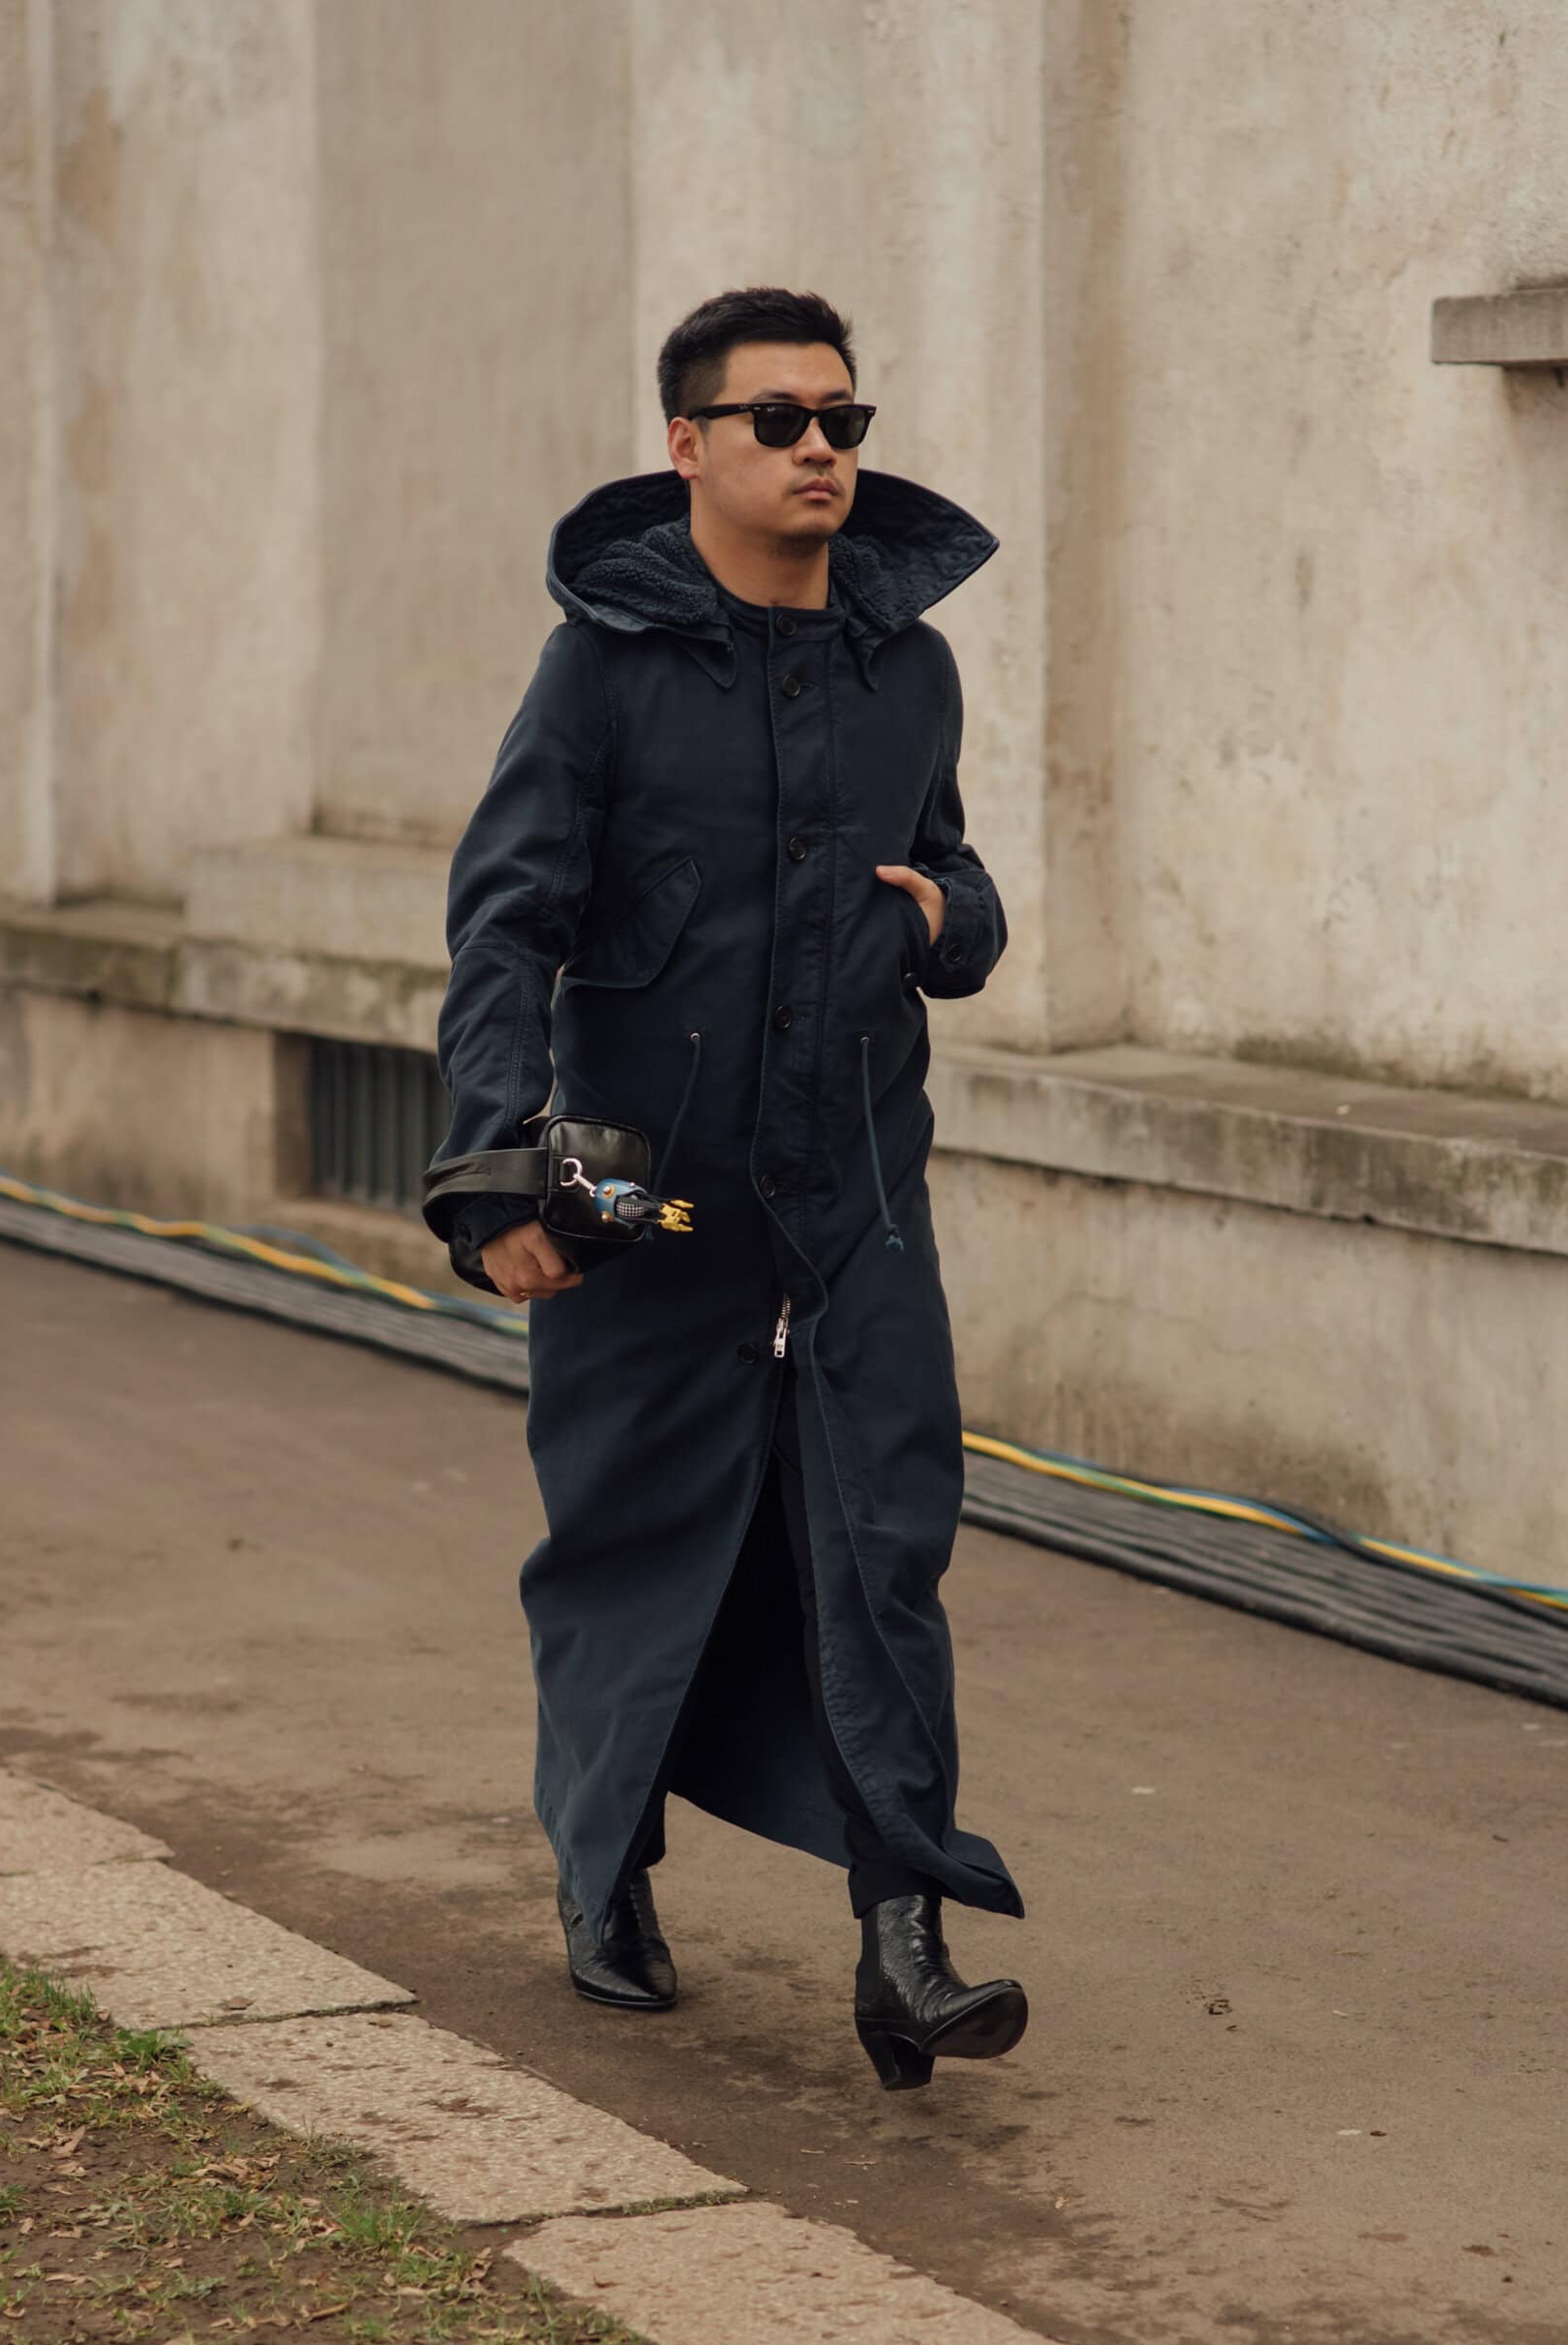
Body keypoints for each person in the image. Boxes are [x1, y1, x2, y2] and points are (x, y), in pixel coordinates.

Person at [424, 287, 1025, 2090]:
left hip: (856, 1177)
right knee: (628, 1522)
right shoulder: (599, 669)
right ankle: (606, 1865)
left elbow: (953, 877)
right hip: (637, 1181)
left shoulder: (908, 666)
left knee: (886, 1537)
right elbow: (505, 923)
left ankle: (906, 1940)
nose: (821, 447)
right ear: (687, 445)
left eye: (842, 417)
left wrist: (952, 921)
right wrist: (497, 1175)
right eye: (779, 419)